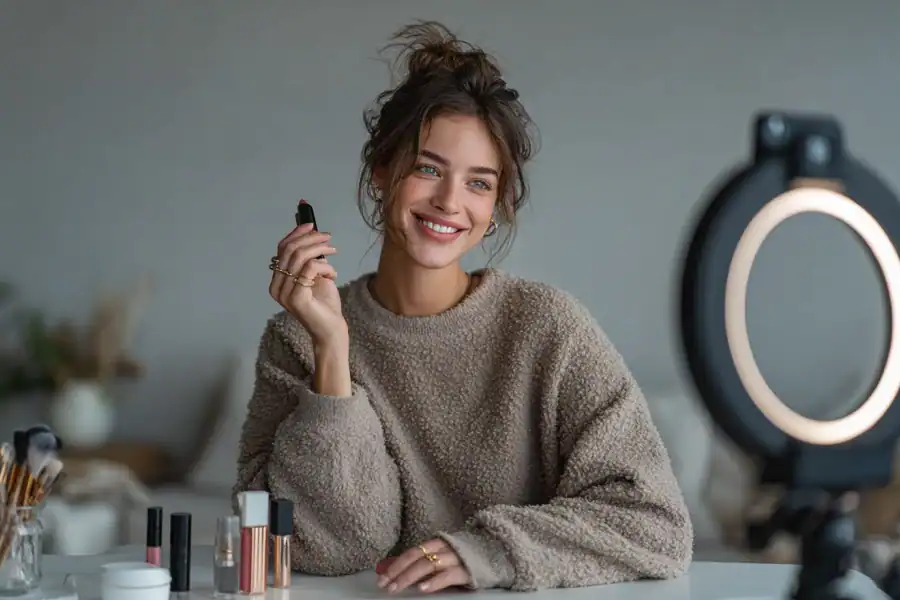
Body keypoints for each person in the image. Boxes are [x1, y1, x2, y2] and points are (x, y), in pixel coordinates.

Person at [234, 20, 692, 594]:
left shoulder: (549, 328)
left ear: (496, 204)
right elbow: (328, 548)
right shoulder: (296, 338)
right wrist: (332, 350)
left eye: (479, 183)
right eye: (428, 169)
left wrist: (486, 551)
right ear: (380, 172)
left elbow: (655, 523)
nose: (450, 202)